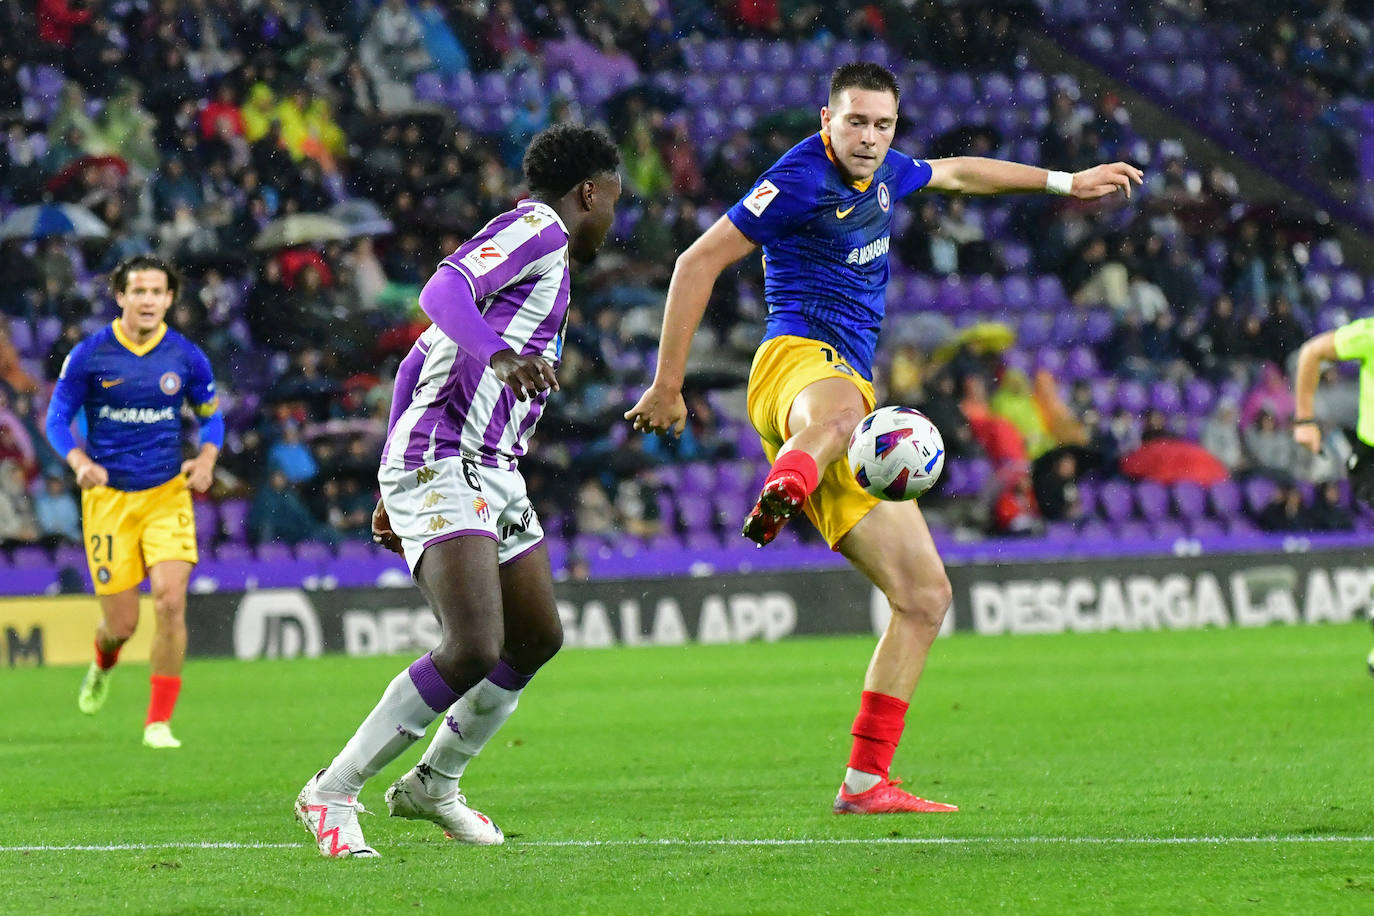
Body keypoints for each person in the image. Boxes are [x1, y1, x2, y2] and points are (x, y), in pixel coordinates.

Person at [626, 62, 1141, 814]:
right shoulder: (797, 180)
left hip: (838, 396)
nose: (869, 138)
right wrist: (668, 384)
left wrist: (1066, 183)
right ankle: (789, 481)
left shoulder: (886, 171)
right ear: (824, 119)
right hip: (794, 362)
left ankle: (866, 780)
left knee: (926, 595)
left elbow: (960, 173)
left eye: (882, 125)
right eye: (856, 122)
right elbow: (696, 260)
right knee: (837, 417)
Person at [296, 124, 622, 858]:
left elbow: (419, 359)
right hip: (445, 455)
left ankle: (433, 784)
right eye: (613, 203)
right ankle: (332, 789)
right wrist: (501, 357)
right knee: (474, 644)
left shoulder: (547, 263)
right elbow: (439, 290)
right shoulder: (538, 229)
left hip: (493, 464)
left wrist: (389, 466)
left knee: (536, 636)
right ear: (589, 193)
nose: (613, 220)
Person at [43, 255, 223, 749]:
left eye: (157, 292)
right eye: (138, 291)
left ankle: (157, 723)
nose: (148, 300)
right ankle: (102, 663)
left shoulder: (186, 357)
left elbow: (212, 418)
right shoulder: (90, 354)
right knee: (121, 625)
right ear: (120, 296)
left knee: (169, 601)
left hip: (167, 494)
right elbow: (57, 419)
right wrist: (78, 460)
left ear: (170, 299)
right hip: (108, 501)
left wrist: (206, 458)